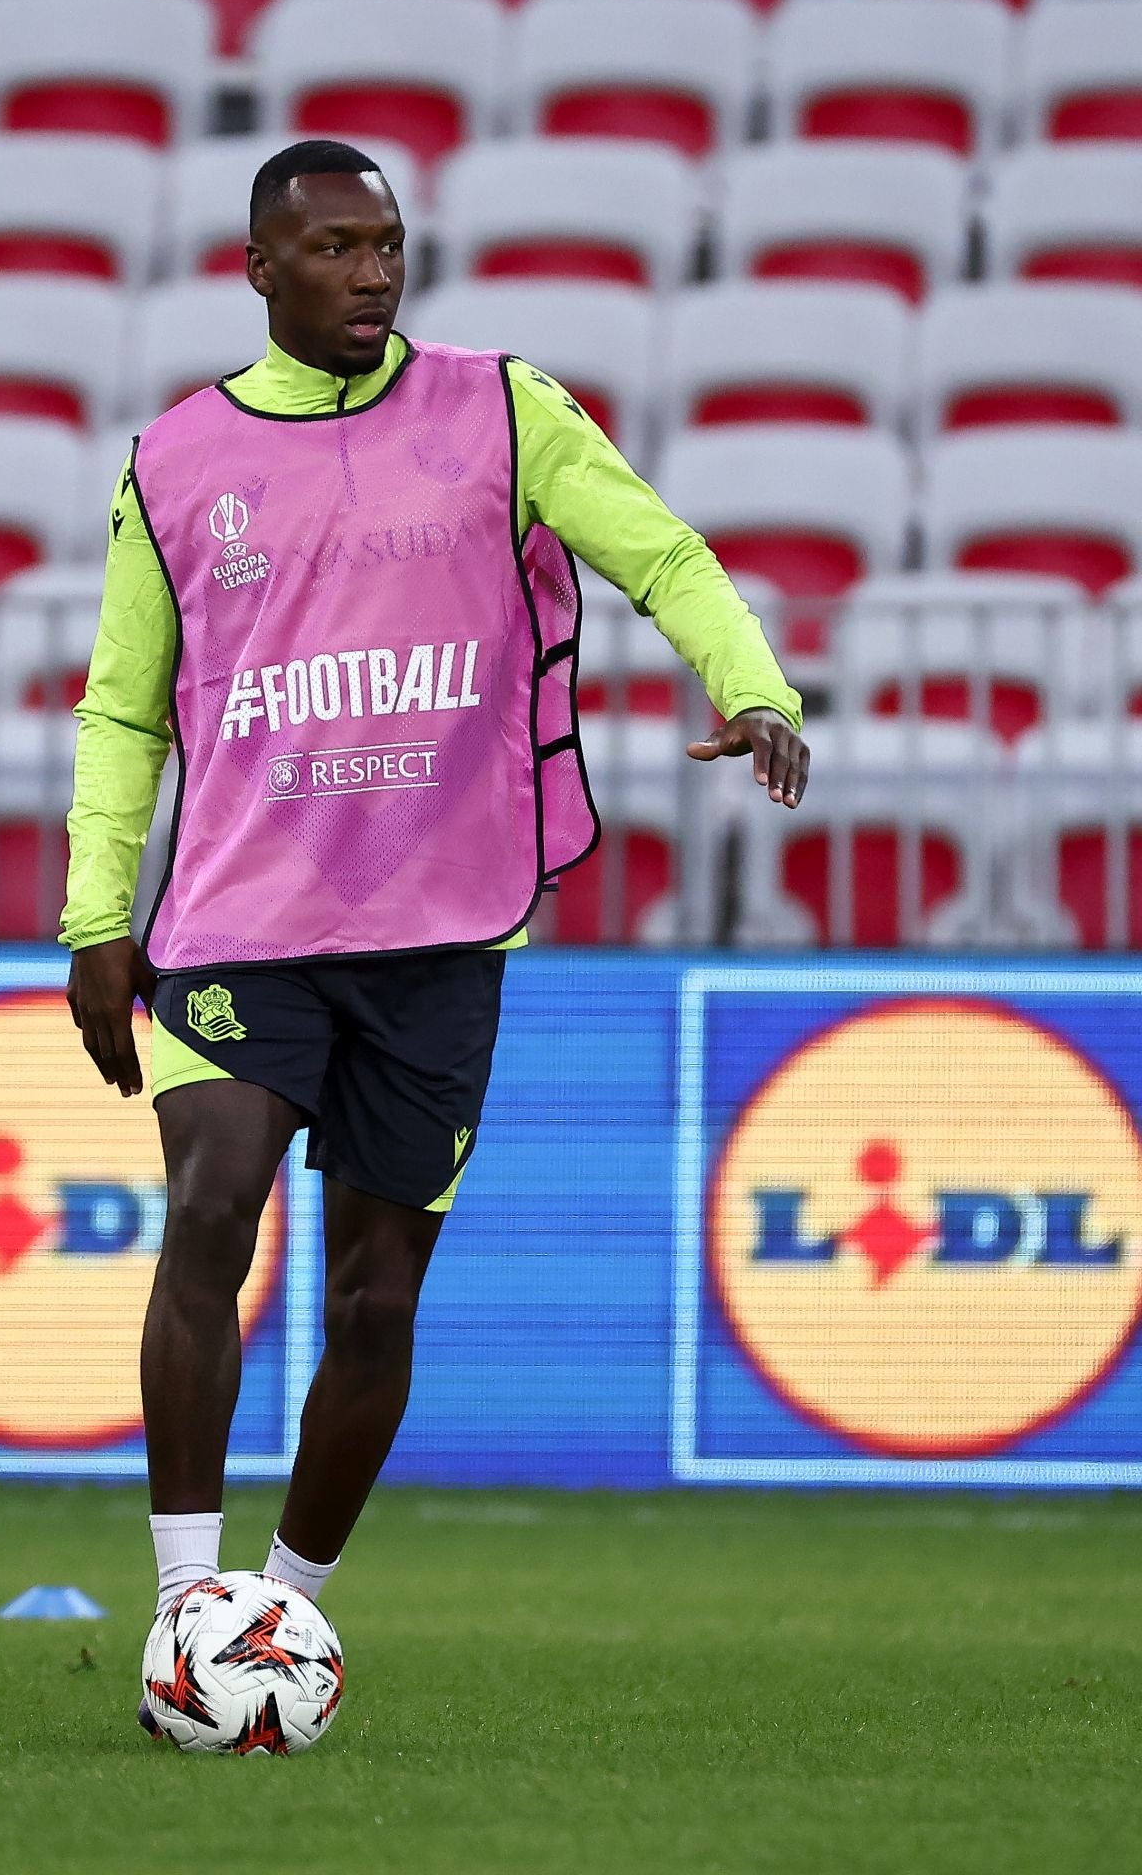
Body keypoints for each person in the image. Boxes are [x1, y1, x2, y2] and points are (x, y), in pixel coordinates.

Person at [61, 139, 809, 1727]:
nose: (373, 272)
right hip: (243, 917)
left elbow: (659, 551)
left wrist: (751, 684)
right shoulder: (178, 462)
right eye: (333, 248)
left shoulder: (506, 406)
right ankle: (187, 1601)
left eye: (387, 243)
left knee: (377, 1301)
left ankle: (284, 1613)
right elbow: (125, 708)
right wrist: (95, 919)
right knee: (209, 1211)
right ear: (260, 270)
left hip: (440, 925)